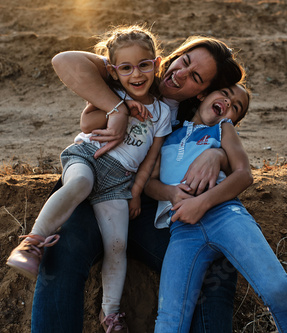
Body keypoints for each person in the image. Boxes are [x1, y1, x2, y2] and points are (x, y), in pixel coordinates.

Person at [31, 34, 245, 333]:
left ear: (204, 92)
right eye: (183, 61)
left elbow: (228, 137)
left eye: (195, 77)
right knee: (61, 254)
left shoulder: (194, 115)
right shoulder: (133, 71)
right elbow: (64, 60)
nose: (180, 74)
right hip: (94, 180)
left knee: (212, 268)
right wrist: (116, 108)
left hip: (149, 206)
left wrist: (218, 155)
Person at [6, 25, 172, 332]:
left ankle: (110, 314)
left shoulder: (162, 112)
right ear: (113, 70)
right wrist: (120, 110)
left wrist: (136, 191)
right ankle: (32, 243)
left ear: (157, 64)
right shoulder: (113, 94)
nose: (136, 74)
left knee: (118, 244)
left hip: (119, 182)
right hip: (88, 158)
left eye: (144, 65)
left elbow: (151, 157)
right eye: (126, 68)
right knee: (79, 184)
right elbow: (86, 121)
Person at [150, 84, 287, 333]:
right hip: (182, 230)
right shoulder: (167, 132)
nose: (227, 102)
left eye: (235, 107)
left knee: (278, 289)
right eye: (224, 94)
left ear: (233, 120)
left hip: (226, 216)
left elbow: (244, 175)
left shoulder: (222, 129)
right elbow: (149, 183)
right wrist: (171, 193)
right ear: (203, 94)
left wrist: (201, 203)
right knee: (169, 320)